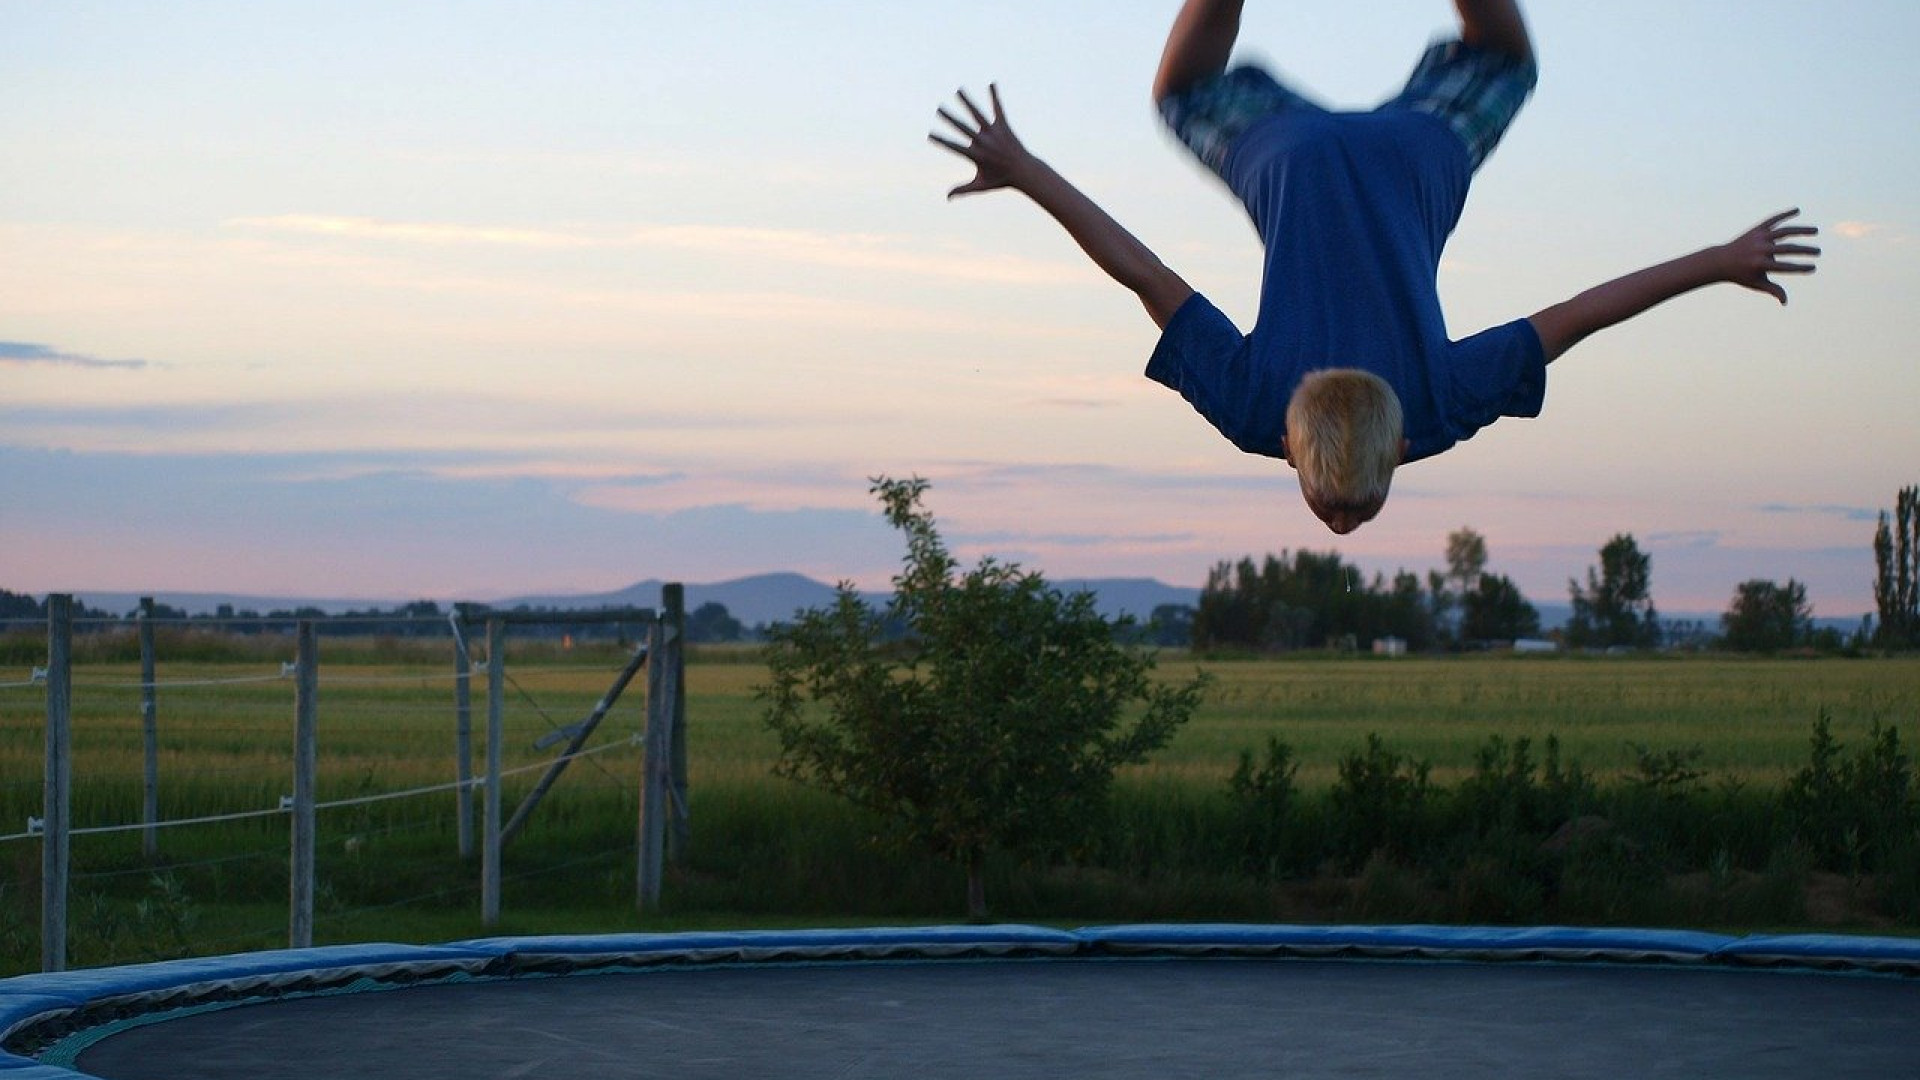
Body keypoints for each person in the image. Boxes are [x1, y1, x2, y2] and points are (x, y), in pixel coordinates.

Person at [930, 0, 1820, 535]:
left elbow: (1577, 313)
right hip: (1290, 156)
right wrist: (1028, 170)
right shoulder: (1254, 409)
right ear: (1296, 442)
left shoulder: (1437, 407)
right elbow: (1145, 275)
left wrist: (1719, 260)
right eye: (1353, 508)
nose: (1345, 526)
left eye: (1337, 510)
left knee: (1507, 58)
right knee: (1181, 91)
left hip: (1416, 156)